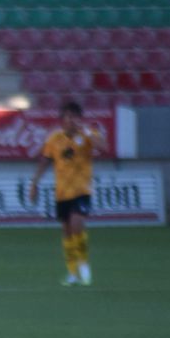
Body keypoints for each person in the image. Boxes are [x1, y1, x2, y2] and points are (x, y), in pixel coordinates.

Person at [29, 99, 108, 286]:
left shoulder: (87, 135)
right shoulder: (54, 139)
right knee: (66, 232)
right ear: (62, 120)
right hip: (62, 193)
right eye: (68, 117)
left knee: (76, 225)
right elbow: (45, 161)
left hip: (82, 190)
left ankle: (84, 264)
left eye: (75, 116)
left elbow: (103, 146)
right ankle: (72, 272)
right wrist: (34, 183)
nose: (71, 120)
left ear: (80, 118)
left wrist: (87, 130)